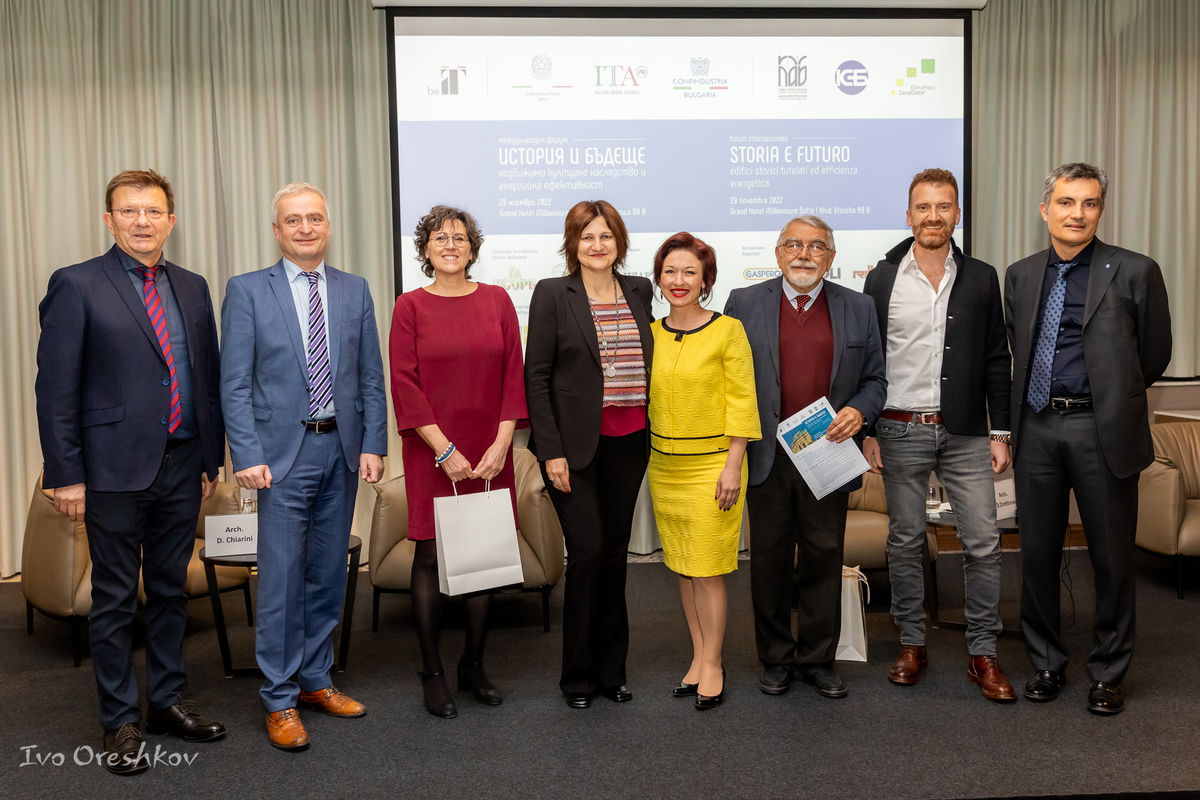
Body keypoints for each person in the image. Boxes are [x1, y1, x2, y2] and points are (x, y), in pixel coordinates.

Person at [34, 169, 226, 775]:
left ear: (171, 221)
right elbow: (55, 390)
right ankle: (119, 718)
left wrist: (210, 459)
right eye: (129, 211)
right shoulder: (76, 284)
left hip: (183, 463)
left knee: (170, 589)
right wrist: (66, 474)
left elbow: (206, 379)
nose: (142, 221)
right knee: (116, 598)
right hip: (110, 468)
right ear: (108, 219)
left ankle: (167, 700)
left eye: (153, 211)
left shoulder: (193, 287)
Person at [220, 182, 387, 748]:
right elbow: (234, 383)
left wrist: (373, 443)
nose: (305, 228)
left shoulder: (354, 289)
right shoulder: (247, 290)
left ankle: (316, 680)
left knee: (327, 574)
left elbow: (370, 377)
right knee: (282, 579)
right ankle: (279, 698)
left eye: (314, 218)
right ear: (277, 231)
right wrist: (246, 453)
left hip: (340, 452)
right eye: (293, 220)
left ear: (328, 226)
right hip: (278, 460)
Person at [1005, 162, 1171, 715]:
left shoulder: (1136, 270)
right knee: (1037, 555)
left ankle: (1108, 672)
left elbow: (1154, 353)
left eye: (1090, 203)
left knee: (1111, 558)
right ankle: (1046, 663)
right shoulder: (1021, 275)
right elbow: (1017, 350)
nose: (1077, 214)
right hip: (1037, 427)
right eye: (1067, 202)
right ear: (1045, 209)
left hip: (1102, 429)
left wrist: (1112, 397)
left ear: (1100, 210)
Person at [861, 168, 1016, 702]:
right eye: (923, 207)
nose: (933, 216)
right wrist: (869, 430)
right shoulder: (882, 278)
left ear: (957, 214)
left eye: (943, 206)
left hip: (967, 432)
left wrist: (1001, 432)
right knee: (905, 541)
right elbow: (868, 358)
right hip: (899, 428)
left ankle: (983, 652)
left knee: (983, 543)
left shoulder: (981, 277)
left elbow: (997, 356)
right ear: (908, 215)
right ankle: (912, 644)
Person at [724, 215, 886, 700]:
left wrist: (859, 410)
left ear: (831, 257)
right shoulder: (743, 303)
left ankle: (817, 660)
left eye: (816, 246)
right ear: (778, 253)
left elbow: (875, 380)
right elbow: (728, 377)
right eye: (793, 244)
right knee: (768, 563)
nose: (804, 254)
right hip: (767, 457)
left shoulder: (858, 306)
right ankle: (775, 658)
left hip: (828, 456)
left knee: (823, 559)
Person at [389, 206, 527, 718]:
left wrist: (503, 443)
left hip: (491, 450)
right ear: (425, 249)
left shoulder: (497, 300)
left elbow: (514, 373)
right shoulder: (409, 306)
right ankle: (432, 671)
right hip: (432, 450)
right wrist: (443, 449)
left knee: (484, 555)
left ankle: (473, 664)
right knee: (429, 556)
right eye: (440, 238)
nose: (450, 245)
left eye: (460, 238)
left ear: (473, 248)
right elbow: (404, 382)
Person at [525, 200, 654, 709]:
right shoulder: (553, 293)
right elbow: (537, 377)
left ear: (619, 241)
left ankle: (611, 671)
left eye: (606, 236)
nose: (597, 245)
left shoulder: (640, 290)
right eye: (587, 237)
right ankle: (577, 677)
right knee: (587, 552)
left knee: (615, 556)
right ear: (572, 244)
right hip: (573, 449)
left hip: (630, 442)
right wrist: (550, 451)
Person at [646, 232, 760, 710]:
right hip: (663, 467)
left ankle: (713, 663)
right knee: (683, 566)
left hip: (714, 466)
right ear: (658, 279)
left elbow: (742, 399)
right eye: (670, 271)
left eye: (689, 272)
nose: (679, 280)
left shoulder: (727, 330)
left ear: (705, 280)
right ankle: (697, 655)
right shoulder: (650, 333)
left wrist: (734, 464)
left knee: (708, 570)